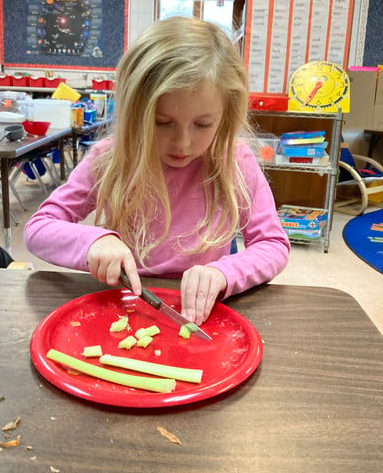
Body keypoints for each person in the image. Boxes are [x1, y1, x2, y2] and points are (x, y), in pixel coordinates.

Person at [24, 17, 290, 325]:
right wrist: (92, 241)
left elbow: (272, 244)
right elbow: (38, 228)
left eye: (203, 125)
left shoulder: (234, 162)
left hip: (198, 316)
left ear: (226, 116)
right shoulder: (111, 157)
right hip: (120, 311)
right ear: (135, 112)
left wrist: (224, 272)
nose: (183, 142)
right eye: (162, 123)